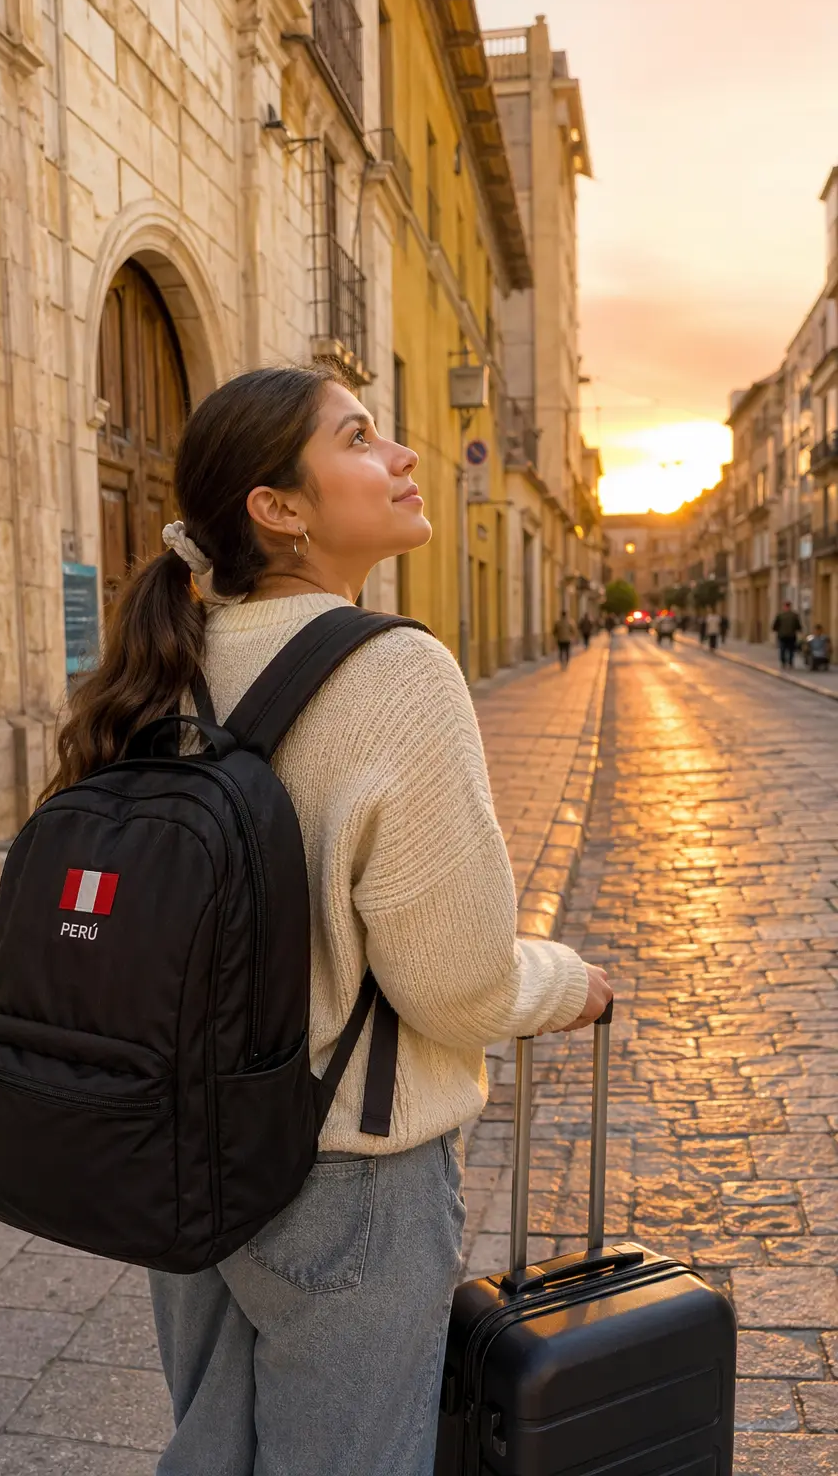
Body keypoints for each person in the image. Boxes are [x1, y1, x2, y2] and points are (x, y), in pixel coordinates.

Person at [44, 365, 612, 1476]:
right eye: (360, 438)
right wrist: (566, 982)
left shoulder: (162, 665)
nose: (403, 456)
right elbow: (458, 986)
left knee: (208, 1449)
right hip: (341, 1169)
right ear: (279, 507)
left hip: (176, 1144)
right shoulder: (395, 673)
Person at [772, 601, 802, 669]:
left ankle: (783, 663)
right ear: (790, 607)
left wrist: (776, 629)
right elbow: (798, 625)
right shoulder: (794, 615)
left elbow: (775, 625)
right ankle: (790, 663)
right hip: (791, 635)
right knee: (791, 650)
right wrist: (798, 630)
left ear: (784, 607)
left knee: (782, 649)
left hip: (782, 635)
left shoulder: (780, 615)